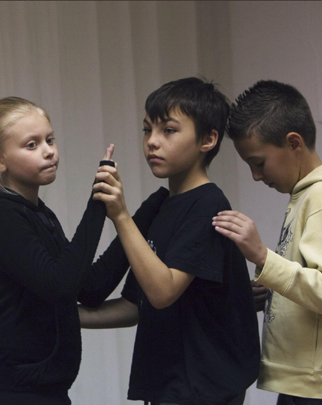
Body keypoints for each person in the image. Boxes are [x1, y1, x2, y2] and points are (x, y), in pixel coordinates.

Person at [0, 96, 167, 405]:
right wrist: (98, 205)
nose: (49, 150)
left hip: (45, 391)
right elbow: (61, 287)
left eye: (50, 139)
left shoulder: (36, 212)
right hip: (10, 393)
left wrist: (142, 212)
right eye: (32, 145)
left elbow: (91, 288)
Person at [80, 77, 260, 405]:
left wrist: (120, 215)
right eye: (148, 130)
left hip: (204, 387)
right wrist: (60, 317)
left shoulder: (208, 203)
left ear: (208, 139)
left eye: (169, 130)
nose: (152, 142)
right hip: (169, 384)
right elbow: (136, 304)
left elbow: (163, 292)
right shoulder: (159, 206)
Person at [213, 80, 322, 405]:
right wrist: (272, 291)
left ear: (293, 143)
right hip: (299, 385)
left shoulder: (318, 198)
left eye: (259, 163)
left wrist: (262, 257)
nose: (256, 176)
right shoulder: (303, 196)